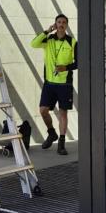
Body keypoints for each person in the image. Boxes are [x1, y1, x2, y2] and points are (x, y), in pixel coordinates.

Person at [30, 14, 77, 156]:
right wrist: (46, 31)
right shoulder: (48, 39)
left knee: (63, 113)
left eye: (64, 22)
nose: (61, 24)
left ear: (67, 25)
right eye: (59, 22)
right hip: (49, 84)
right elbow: (33, 44)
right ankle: (51, 133)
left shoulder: (72, 42)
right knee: (43, 110)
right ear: (55, 24)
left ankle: (61, 144)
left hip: (64, 84)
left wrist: (66, 68)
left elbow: (79, 62)